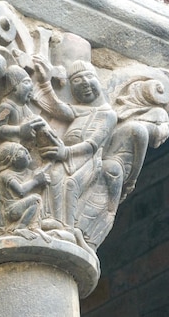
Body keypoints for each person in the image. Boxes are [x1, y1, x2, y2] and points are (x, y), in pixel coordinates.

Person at [33, 56, 117, 228]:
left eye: (89, 77)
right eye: (77, 80)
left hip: (87, 160)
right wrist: (45, 83)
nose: (85, 83)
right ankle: (55, 220)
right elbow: (59, 108)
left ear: (98, 81)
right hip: (66, 155)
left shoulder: (107, 114)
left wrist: (66, 153)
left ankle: (67, 226)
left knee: (71, 184)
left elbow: (92, 144)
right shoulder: (82, 110)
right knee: (54, 176)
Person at [0, 142, 51, 241]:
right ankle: (19, 227)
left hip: (23, 208)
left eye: (26, 151)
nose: (28, 155)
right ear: (12, 159)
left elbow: (38, 177)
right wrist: (36, 181)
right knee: (35, 199)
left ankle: (35, 227)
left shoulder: (28, 172)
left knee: (37, 198)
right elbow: (20, 191)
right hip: (12, 210)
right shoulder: (6, 174)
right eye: (22, 153)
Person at [0, 65, 46, 147]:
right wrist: (19, 130)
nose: (31, 89)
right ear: (13, 87)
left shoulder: (24, 108)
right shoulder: (6, 107)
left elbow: (32, 119)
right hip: (12, 148)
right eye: (26, 83)